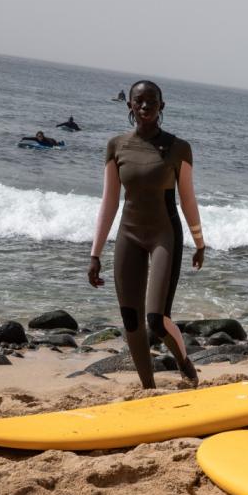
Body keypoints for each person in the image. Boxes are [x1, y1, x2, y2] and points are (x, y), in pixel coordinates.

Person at [88, 81, 205, 388]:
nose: (144, 106)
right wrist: (95, 254)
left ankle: (184, 363)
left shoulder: (179, 148)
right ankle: (148, 389)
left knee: (156, 318)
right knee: (130, 319)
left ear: (161, 106)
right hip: (129, 235)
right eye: (138, 101)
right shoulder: (117, 146)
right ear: (129, 105)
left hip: (164, 235)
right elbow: (110, 202)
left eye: (151, 101)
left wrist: (199, 241)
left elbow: (188, 199)